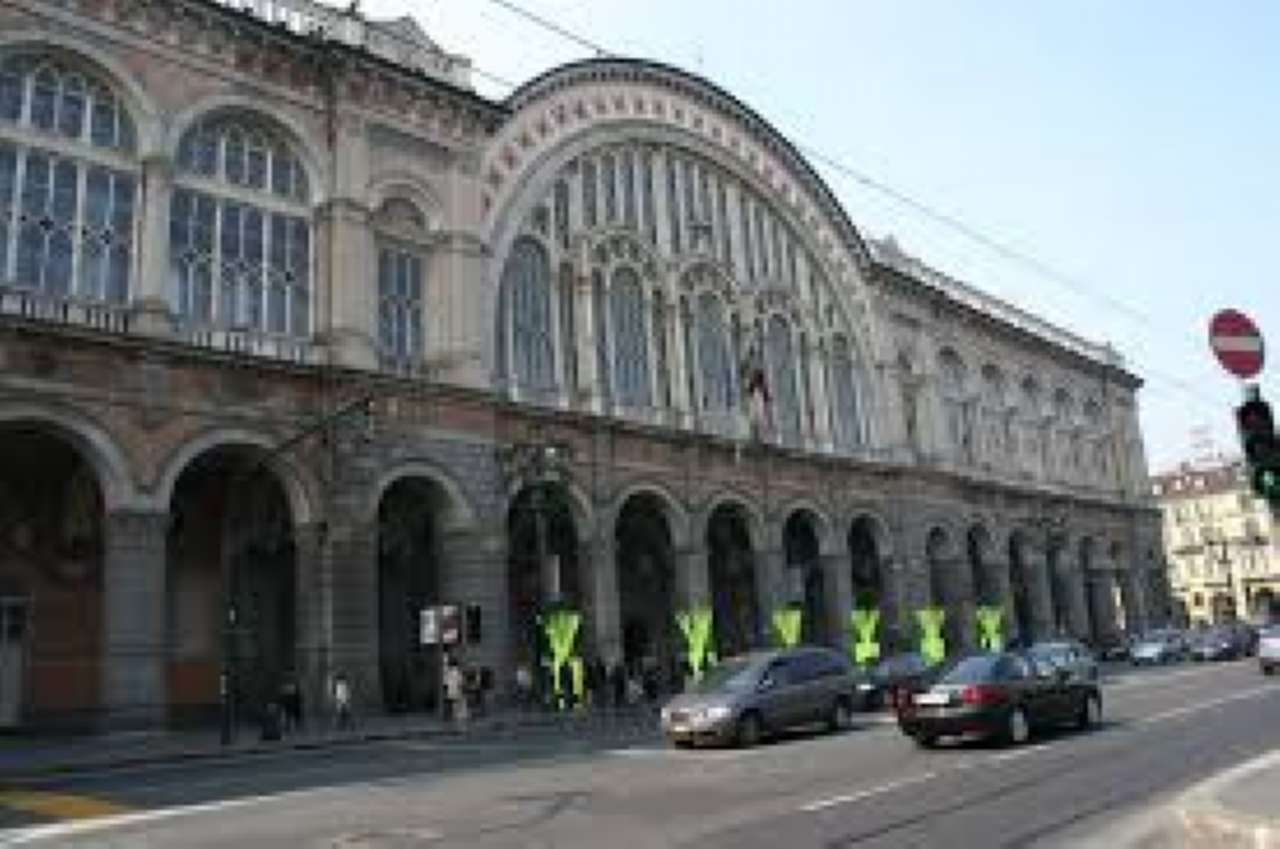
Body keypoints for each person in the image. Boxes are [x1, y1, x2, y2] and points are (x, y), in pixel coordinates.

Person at [443, 654, 467, 724]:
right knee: (459, 712)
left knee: (453, 711)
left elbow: (445, 684)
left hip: (450, 694)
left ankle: (452, 718)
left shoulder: (448, 673)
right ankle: (458, 719)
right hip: (457, 694)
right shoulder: (458, 673)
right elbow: (461, 684)